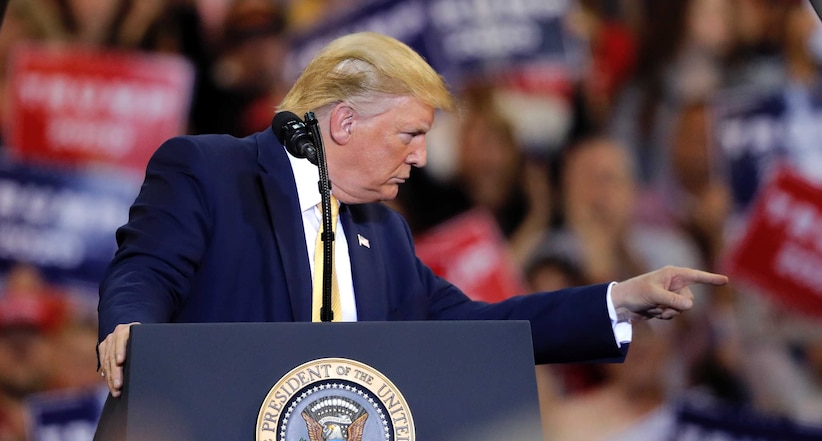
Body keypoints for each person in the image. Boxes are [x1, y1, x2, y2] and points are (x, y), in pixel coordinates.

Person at [97, 31, 728, 398]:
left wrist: (618, 300)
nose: (423, 158)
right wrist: (131, 328)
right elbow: (146, 271)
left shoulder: (386, 234)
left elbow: (482, 326)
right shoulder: (209, 169)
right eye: (410, 133)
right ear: (344, 122)